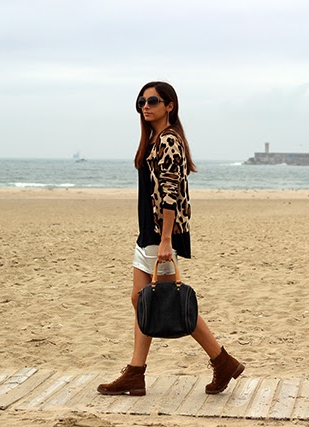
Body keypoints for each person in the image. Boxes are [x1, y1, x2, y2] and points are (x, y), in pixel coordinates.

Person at [97, 81, 244, 396]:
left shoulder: (169, 141)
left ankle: (220, 361)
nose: (145, 106)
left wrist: (165, 240)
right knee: (140, 299)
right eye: (141, 102)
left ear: (169, 106)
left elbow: (170, 193)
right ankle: (139, 371)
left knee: (168, 303)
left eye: (152, 101)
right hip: (147, 233)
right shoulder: (153, 140)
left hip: (159, 234)